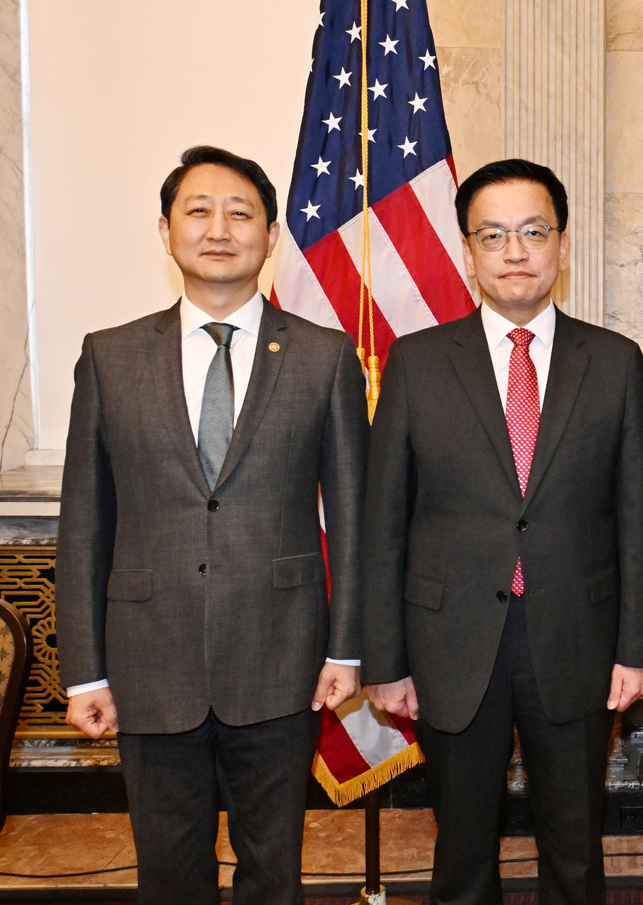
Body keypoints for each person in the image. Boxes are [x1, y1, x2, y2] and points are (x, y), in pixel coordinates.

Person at [57, 146, 367, 905]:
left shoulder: (325, 358)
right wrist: (86, 668)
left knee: (274, 872)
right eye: (198, 210)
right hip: (148, 659)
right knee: (168, 874)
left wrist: (347, 647)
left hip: (282, 657)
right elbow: (85, 521)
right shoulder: (110, 357)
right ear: (165, 231)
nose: (219, 228)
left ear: (270, 235)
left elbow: (355, 517)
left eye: (241, 212)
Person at [361, 158, 643, 905]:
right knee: (462, 852)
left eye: (534, 231)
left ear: (562, 245)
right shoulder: (417, 362)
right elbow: (384, 523)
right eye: (493, 235)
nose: (515, 251)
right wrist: (386, 659)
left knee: (574, 846)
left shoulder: (616, 360)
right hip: (450, 644)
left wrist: (637, 648)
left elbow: (637, 515)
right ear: (468, 251)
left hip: (578, 640)